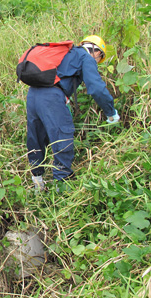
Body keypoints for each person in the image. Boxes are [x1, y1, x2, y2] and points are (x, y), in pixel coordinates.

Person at [26, 35, 120, 190]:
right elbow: (97, 89)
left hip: (33, 95)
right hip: (51, 98)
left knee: (36, 137)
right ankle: (61, 188)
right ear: (97, 52)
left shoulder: (66, 53)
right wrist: (111, 112)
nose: (97, 61)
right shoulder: (85, 57)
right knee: (62, 136)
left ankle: (37, 182)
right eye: (99, 58)